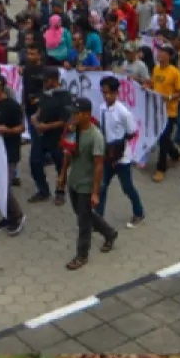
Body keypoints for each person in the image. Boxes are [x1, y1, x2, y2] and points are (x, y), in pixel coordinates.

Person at [57, 97, 118, 270]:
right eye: (73, 113)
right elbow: (68, 153)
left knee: (83, 222)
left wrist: (95, 192)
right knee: (83, 214)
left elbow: (99, 166)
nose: (73, 116)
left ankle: (81, 255)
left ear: (87, 114)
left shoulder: (96, 137)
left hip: (86, 184)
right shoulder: (73, 129)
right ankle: (109, 233)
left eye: (77, 113)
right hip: (74, 181)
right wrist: (62, 174)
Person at [95, 76, 145, 227]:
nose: (106, 96)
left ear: (117, 93)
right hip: (106, 155)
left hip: (121, 157)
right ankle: (98, 217)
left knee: (127, 187)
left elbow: (132, 132)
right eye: (104, 93)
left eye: (109, 93)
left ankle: (139, 212)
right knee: (102, 186)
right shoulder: (102, 108)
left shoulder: (123, 112)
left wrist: (118, 146)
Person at [0, 75, 27, 235]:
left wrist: (7, 130)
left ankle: (18, 216)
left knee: (5, 187)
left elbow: (21, 128)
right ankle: (7, 215)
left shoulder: (12, 106)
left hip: (10, 152)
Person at [28, 67, 69, 206]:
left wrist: (48, 126)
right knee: (35, 162)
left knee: (60, 166)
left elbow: (65, 120)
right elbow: (41, 107)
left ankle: (60, 192)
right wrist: (36, 116)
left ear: (53, 81)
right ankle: (43, 190)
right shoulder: (46, 93)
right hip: (41, 136)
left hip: (57, 138)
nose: (44, 83)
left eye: (46, 80)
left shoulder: (65, 97)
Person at [148, 45, 180, 182]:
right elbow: (153, 85)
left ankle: (161, 169)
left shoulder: (175, 73)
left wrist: (168, 97)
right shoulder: (156, 69)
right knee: (163, 138)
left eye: (163, 53)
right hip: (156, 110)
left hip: (169, 112)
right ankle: (175, 155)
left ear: (169, 56)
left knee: (163, 141)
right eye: (159, 52)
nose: (160, 55)